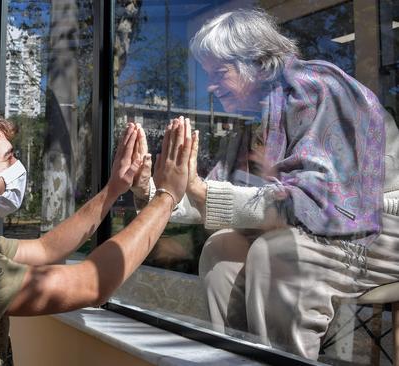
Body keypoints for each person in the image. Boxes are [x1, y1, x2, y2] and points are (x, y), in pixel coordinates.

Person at [131, 9, 399, 360]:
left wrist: (202, 191)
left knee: (276, 254)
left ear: (256, 61)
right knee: (221, 250)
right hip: (319, 227)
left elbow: (314, 204)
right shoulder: (255, 123)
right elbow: (207, 198)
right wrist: (149, 191)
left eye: (219, 72)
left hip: (377, 224)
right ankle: (238, 357)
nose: (210, 86)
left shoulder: (316, 87)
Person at [0, 106, 192, 366]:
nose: (18, 165)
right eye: (8, 157)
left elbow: (46, 249)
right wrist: (167, 196)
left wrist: (115, 188)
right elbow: (90, 285)